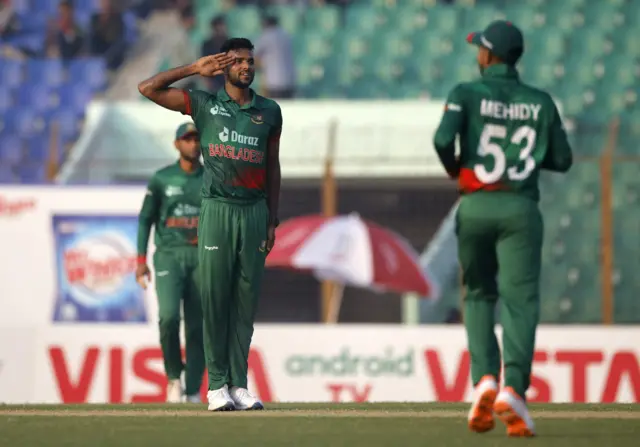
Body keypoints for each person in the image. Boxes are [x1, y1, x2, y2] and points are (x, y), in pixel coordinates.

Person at [433, 20, 572, 437]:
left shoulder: (465, 93)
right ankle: (514, 387)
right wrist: (525, 154)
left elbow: (443, 140)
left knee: (477, 294)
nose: (477, 55)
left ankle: (485, 381)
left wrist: (457, 170)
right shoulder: (541, 102)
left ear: (490, 55)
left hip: (475, 205)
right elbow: (562, 160)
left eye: (480, 49)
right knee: (520, 302)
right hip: (520, 207)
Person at [137, 38, 282, 412]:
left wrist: (272, 217)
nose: (246, 67)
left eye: (250, 61)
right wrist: (191, 69)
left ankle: (239, 384)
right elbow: (147, 89)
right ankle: (216, 385)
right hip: (217, 210)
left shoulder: (270, 111)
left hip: (254, 212)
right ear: (224, 67)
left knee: (244, 303)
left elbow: (272, 166)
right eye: (238, 61)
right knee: (216, 299)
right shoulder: (204, 104)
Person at [136, 122, 205, 404]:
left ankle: (194, 390)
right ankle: (174, 378)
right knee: (168, 317)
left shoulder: (213, 177)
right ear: (177, 144)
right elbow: (145, 219)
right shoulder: (162, 179)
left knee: (198, 326)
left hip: (203, 255)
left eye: (196, 139)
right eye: (187, 140)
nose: (193, 144)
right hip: (168, 254)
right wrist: (141, 259)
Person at [255, 15, 296, 99]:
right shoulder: (287, 35)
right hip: (289, 80)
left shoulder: (266, 35)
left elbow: (254, 55)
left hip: (273, 82)